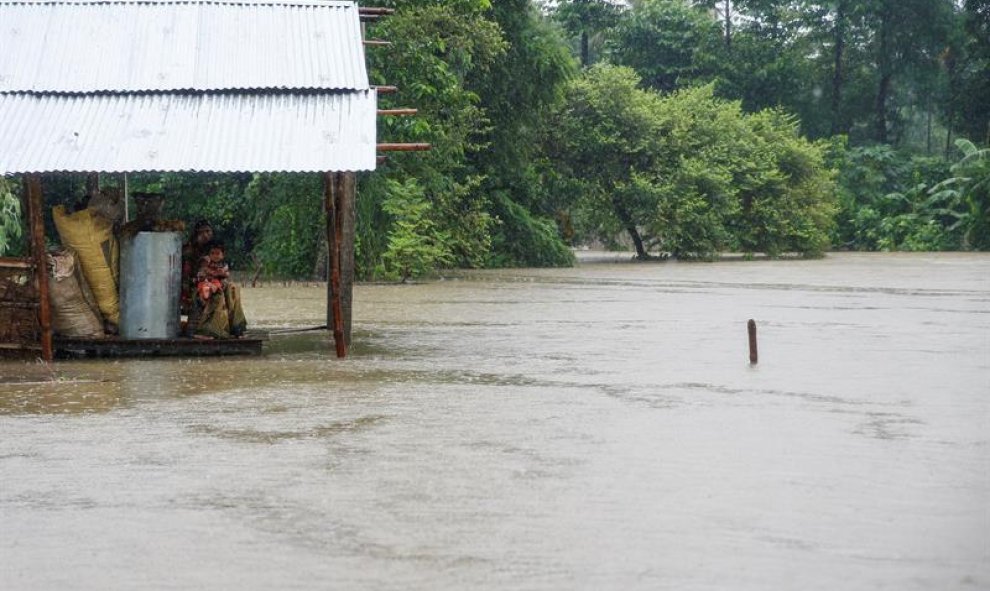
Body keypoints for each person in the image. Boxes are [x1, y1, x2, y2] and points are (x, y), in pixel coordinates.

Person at [181, 221, 246, 339]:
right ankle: (207, 330)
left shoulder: (214, 249)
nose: (205, 235)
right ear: (195, 235)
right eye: (201, 233)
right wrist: (186, 297)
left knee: (232, 288)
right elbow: (186, 276)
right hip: (195, 285)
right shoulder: (190, 251)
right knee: (214, 291)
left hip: (213, 282)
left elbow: (222, 271)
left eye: (208, 231)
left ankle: (234, 328)